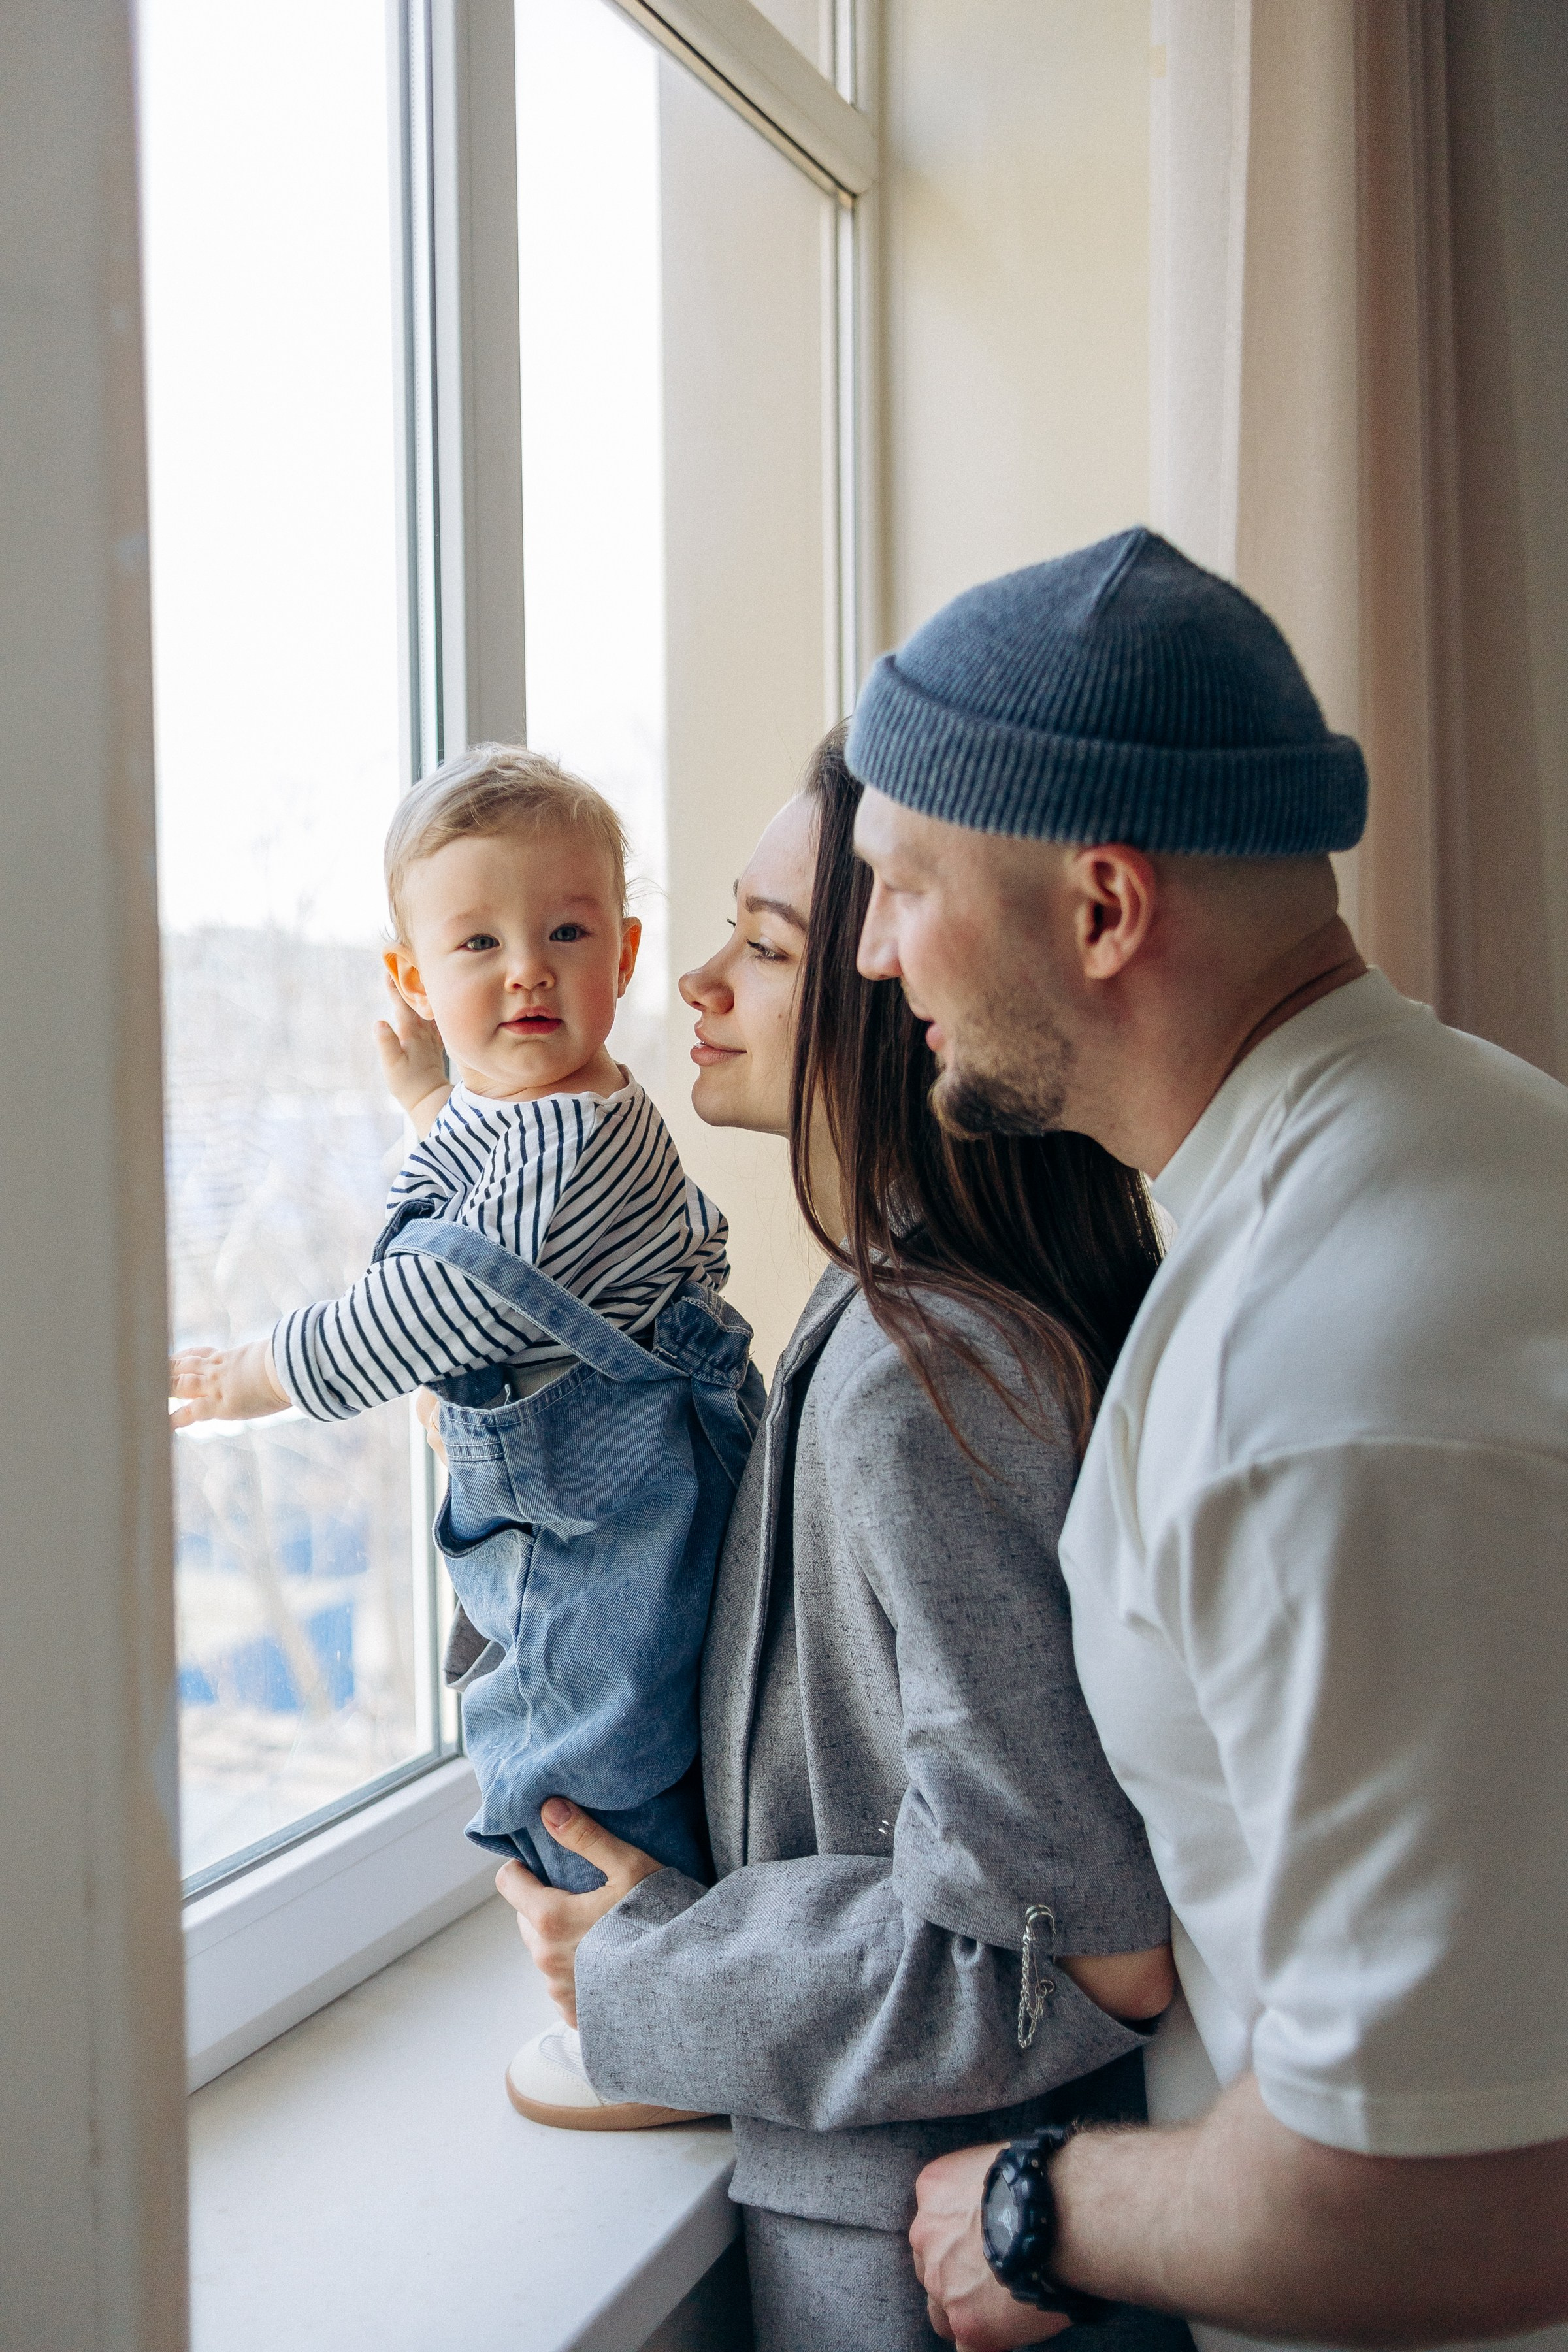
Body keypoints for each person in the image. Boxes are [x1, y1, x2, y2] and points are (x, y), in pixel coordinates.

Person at [840, 528, 1568, 2350]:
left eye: (902, 884)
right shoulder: (1459, 1144)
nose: (871, 950)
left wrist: (1042, 2207)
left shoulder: (1323, 1380)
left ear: (1101, 909)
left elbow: (1455, 2205)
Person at [493, 729, 1196, 2351]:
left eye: (767, 944)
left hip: (928, 2266)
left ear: (895, 1000)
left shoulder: (925, 1381)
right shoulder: (883, 1324)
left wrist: (647, 1970)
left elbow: (1086, 1954)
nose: (701, 987)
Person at [169, 746, 760, 2125]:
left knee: (580, 1759)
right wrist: (430, 1099)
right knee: (582, 1744)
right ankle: (640, 1994)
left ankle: (645, 2032)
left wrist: (254, 1374)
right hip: (578, 1519)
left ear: (621, 951)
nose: (528, 975)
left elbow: (437, 1300)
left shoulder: (572, 1147)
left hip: (603, 1537)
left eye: (566, 934)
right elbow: (492, 1190)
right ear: (412, 981)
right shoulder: (542, 1119)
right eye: (478, 943)